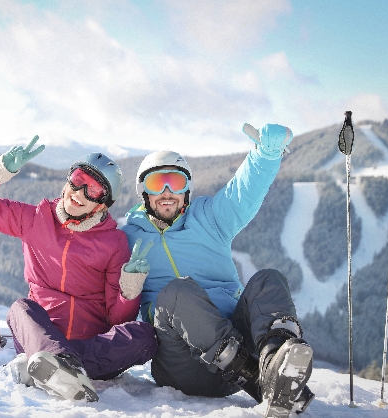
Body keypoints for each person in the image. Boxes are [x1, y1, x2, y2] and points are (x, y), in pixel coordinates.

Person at [121, 124, 314, 417]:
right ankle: (258, 381)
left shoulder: (209, 218)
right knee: (176, 291)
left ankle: (278, 365)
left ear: (187, 189)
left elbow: (242, 194)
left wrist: (266, 155)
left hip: (236, 353)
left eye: (176, 181)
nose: (167, 192)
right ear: (143, 192)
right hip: (181, 364)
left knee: (268, 279)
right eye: (156, 183)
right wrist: (127, 284)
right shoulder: (128, 237)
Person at [0, 136, 157, 403]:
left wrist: (130, 288)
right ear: (67, 182)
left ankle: (51, 367)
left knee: (145, 335)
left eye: (93, 190)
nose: (80, 192)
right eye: (77, 179)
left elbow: (118, 320)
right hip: (42, 337)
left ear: (103, 203)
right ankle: (54, 364)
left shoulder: (113, 242)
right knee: (20, 309)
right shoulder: (35, 219)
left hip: (92, 345)